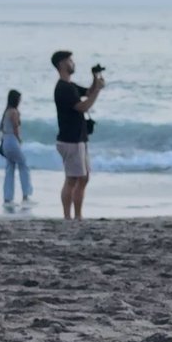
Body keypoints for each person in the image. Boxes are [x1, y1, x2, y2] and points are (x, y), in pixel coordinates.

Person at [51, 50, 105, 220]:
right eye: (69, 60)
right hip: (70, 139)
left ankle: (77, 215)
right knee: (72, 179)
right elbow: (83, 106)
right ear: (61, 64)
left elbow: (88, 92)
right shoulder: (63, 88)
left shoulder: (70, 86)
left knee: (84, 177)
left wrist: (95, 78)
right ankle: (69, 217)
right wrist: (98, 91)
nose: (73, 63)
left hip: (78, 138)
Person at [0, 89, 34, 208]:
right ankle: (26, 195)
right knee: (23, 165)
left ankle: (8, 198)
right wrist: (19, 139)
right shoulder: (14, 112)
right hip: (12, 140)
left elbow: (2, 128)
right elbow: (16, 127)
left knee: (10, 167)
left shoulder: (6, 111)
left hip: (5, 140)